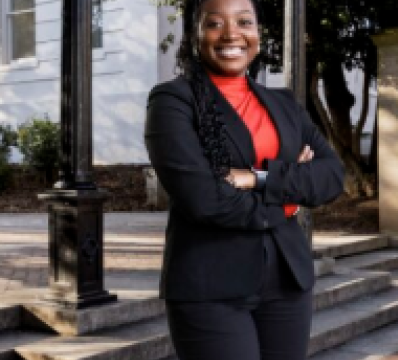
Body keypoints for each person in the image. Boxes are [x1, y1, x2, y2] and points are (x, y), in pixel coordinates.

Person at [144, 0, 345, 358]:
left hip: (287, 281)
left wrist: (259, 178)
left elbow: (331, 176)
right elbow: (204, 199)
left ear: (258, 33)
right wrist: (288, 200)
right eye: (215, 23)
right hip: (211, 285)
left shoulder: (283, 103)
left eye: (244, 22)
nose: (231, 34)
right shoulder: (173, 101)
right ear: (195, 34)